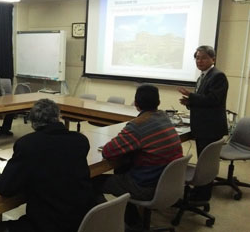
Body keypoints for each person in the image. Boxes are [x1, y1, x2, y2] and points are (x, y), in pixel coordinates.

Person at [0, 99, 95, 232]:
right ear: (59, 117)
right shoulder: (80, 141)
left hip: (48, 225)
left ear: (33, 123)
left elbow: (5, 188)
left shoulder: (28, 144)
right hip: (83, 220)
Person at [93, 84, 183, 228]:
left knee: (90, 182)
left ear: (136, 103)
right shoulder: (165, 118)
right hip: (167, 183)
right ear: (158, 102)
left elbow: (108, 152)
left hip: (146, 187)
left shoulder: (138, 126)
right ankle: (133, 221)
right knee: (122, 169)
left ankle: (114, 223)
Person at [178, 45, 228, 202]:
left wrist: (192, 97)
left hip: (210, 127)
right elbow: (203, 101)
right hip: (202, 126)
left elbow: (214, 100)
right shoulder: (203, 76)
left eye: (204, 58)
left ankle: (203, 195)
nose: (199, 61)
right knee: (202, 161)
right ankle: (199, 191)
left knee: (206, 163)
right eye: (197, 58)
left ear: (213, 59)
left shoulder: (218, 76)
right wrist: (189, 102)